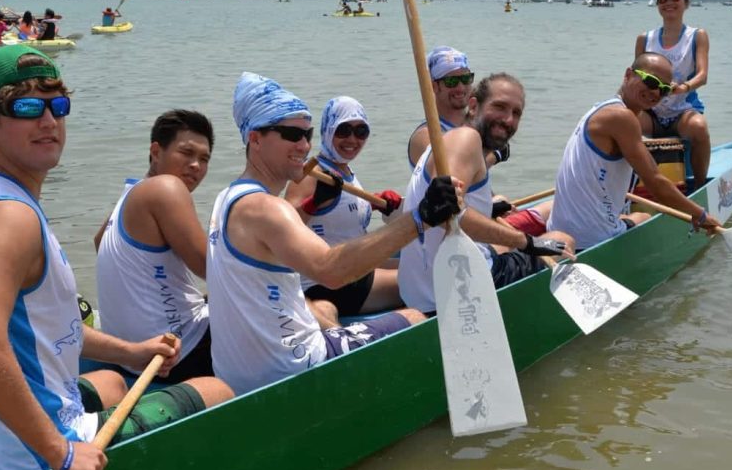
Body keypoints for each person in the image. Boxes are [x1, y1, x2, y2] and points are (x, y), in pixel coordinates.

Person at [0, 44, 232, 470]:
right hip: (30, 465)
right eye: (27, 107)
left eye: (58, 106)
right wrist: (61, 452)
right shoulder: (5, 217)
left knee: (113, 377)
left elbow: (47, 324)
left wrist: (130, 350)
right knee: (216, 390)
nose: (49, 120)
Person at [206, 72, 463, 397]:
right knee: (413, 316)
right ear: (254, 139)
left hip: (238, 373)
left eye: (308, 134)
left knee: (324, 309)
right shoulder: (267, 208)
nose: (304, 145)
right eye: (291, 134)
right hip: (292, 368)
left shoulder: (225, 199)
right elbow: (330, 270)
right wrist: (420, 217)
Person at [399, 74, 575, 310]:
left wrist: (489, 208)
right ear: (473, 106)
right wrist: (526, 242)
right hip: (450, 294)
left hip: (418, 291)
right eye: (500, 107)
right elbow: (445, 213)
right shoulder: (466, 139)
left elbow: (452, 205)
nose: (508, 120)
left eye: (516, 113)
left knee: (506, 246)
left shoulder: (449, 143)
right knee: (563, 241)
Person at [548, 52, 722, 250]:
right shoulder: (622, 118)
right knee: (644, 217)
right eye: (651, 81)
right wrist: (700, 215)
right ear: (628, 74)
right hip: (591, 241)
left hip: (558, 230)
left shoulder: (600, 108)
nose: (656, 93)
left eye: (665, 90)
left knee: (634, 215)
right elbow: (656, 184)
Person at [94, 109, 215, 382]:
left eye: (204, 159)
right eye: (187, 153)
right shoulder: (167, 188)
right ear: (156, 151)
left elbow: (99, 242)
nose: (196, 165)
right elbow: (211, 268)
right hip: (176, 354)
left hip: (134, 357)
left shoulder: (131, 192)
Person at [284, 96, 404, 326]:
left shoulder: (344, 170)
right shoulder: (312, 172)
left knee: (421, 264)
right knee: (423, 279)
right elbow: (282, 229)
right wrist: (313, 203)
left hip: (354, 267)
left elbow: (338, 211)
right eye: (344, 130)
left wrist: (373, 201)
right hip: (327, 282)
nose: (352, 139)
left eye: (361, 131)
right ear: (328, 130)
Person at [634, 0, 712, 186]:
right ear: (657, 3)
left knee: (699, 127)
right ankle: (621, 186)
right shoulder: (644, 39)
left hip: (682, 113)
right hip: (652, 114)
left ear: (686, 1)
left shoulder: (697, 36)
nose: (669, 3)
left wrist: (683, 87)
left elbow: (702, 76)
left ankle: (698, 185)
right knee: (623, 123)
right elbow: (635, 82)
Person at [407, 46, 474, 168]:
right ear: (434, 87)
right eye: (451, 81)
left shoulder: (475, 124)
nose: (460, 87)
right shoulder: (426, 135)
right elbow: (452, 172)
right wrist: (495, 154)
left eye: (465, 79)